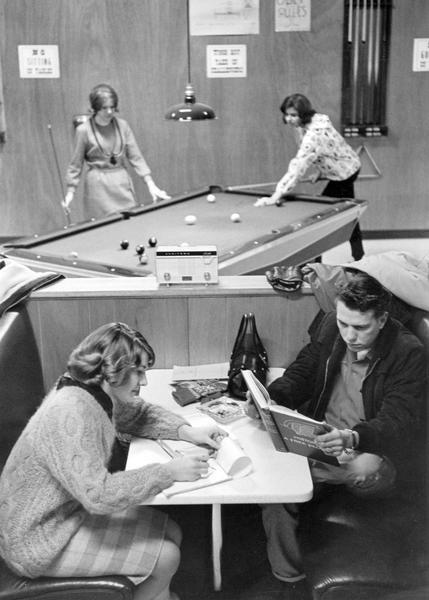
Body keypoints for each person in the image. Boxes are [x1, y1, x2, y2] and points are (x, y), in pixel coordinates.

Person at [0, 322, 225, 600]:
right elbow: (99, 495)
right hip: (36, 540)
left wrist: (187, 431)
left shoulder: (91, 391)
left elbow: (138, 415)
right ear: (112, 370)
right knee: (167, 557)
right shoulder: (72, 413)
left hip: (64, 515)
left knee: (172, 530)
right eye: (138, 372)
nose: (143, 382)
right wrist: (167, 472)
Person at [246, 271, 426, 584]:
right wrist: (270, 397)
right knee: (276, 490)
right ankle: (288, 578)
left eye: (360, 327)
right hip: (321, 438)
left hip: (372, 449)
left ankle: (314, 477)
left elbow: (398, 420)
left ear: (382, 319)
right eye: (343, 323)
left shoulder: (408, 353)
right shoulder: (331, 325)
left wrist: (353, 436)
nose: (349, 335)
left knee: (364, 466)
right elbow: (301, 373)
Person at [255, 93, 364, 261]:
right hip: (342, 166)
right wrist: (322, 172)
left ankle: (347, 259)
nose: (288, 118)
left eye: (293, 115)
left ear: (303, 115)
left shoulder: (315, 133)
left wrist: (276, 195)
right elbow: (330, 149)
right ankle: (355, 257)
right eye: (286, 114)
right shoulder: (312, 121)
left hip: (345, 173)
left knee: (332, 217)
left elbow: (298, 166)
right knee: (344, 215)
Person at [63, 83, 170, 219]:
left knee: (129, 223)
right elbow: (75, 164)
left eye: (112, 107)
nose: (109, 112)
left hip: (121, 183)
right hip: (98, 186)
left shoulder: (123, 126)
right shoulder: (83, 130)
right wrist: (70, 192)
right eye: (104, 108)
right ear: (95, 108)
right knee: (101, 229)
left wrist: (151, 184)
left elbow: (136, 157)